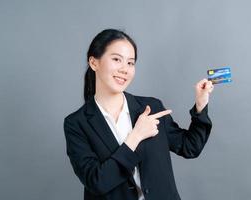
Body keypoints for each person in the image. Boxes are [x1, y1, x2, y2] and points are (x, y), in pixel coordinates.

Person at [63, 29, 214, 200]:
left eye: (130, 63)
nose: (125, 69)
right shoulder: (76, 123)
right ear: (94, 62)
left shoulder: (152, 107)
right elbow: (97, 181)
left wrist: (201, 106)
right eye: (116, 59)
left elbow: (190, 147)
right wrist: (136, 136)